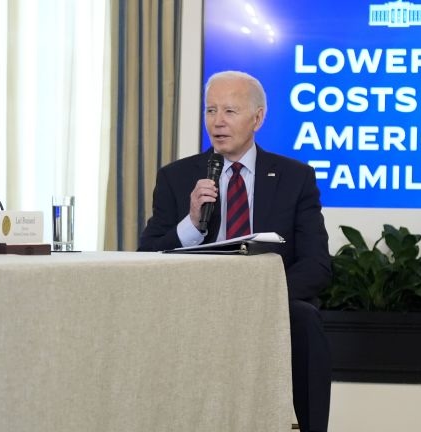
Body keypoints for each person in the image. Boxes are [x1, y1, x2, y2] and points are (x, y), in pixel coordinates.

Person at [138, 70, 332, 431]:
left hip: (271, 304)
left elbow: (316, 264)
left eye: (230, 111)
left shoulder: (295, 177)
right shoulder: (177, 177)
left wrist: (264, 297)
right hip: (197, 302)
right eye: (210, 111)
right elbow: (148, 255)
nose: (217, 122)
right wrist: (192, 224)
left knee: (305, 321)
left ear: (257, 118)